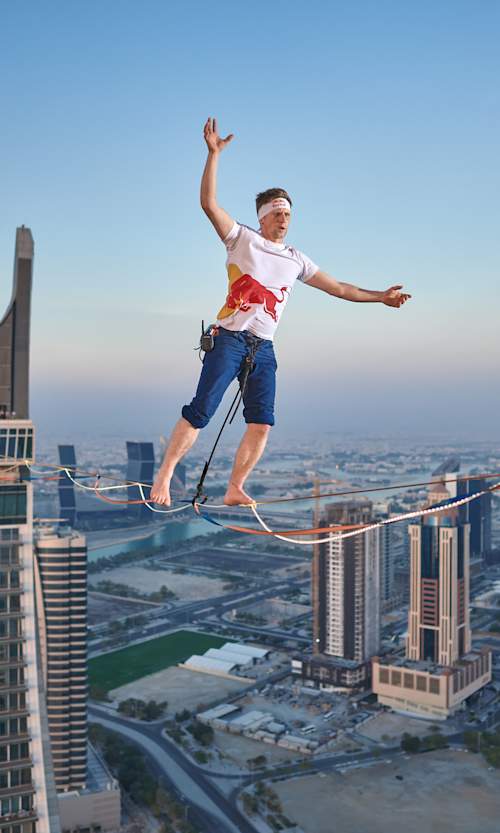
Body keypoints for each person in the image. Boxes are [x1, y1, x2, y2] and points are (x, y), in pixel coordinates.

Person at [150, 118, 411, 507]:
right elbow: (208, 204)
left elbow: (339, 288)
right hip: (230, 339)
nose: (284, 218)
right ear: (262, 216)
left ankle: (235, 488)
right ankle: (165, 477)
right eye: (277, 213)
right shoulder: (242, 238)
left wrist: (380, 298)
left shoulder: (296, 259)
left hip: (264, 347)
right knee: (201, 411)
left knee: (261, 423)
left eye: (288, 213)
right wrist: (213, 156)